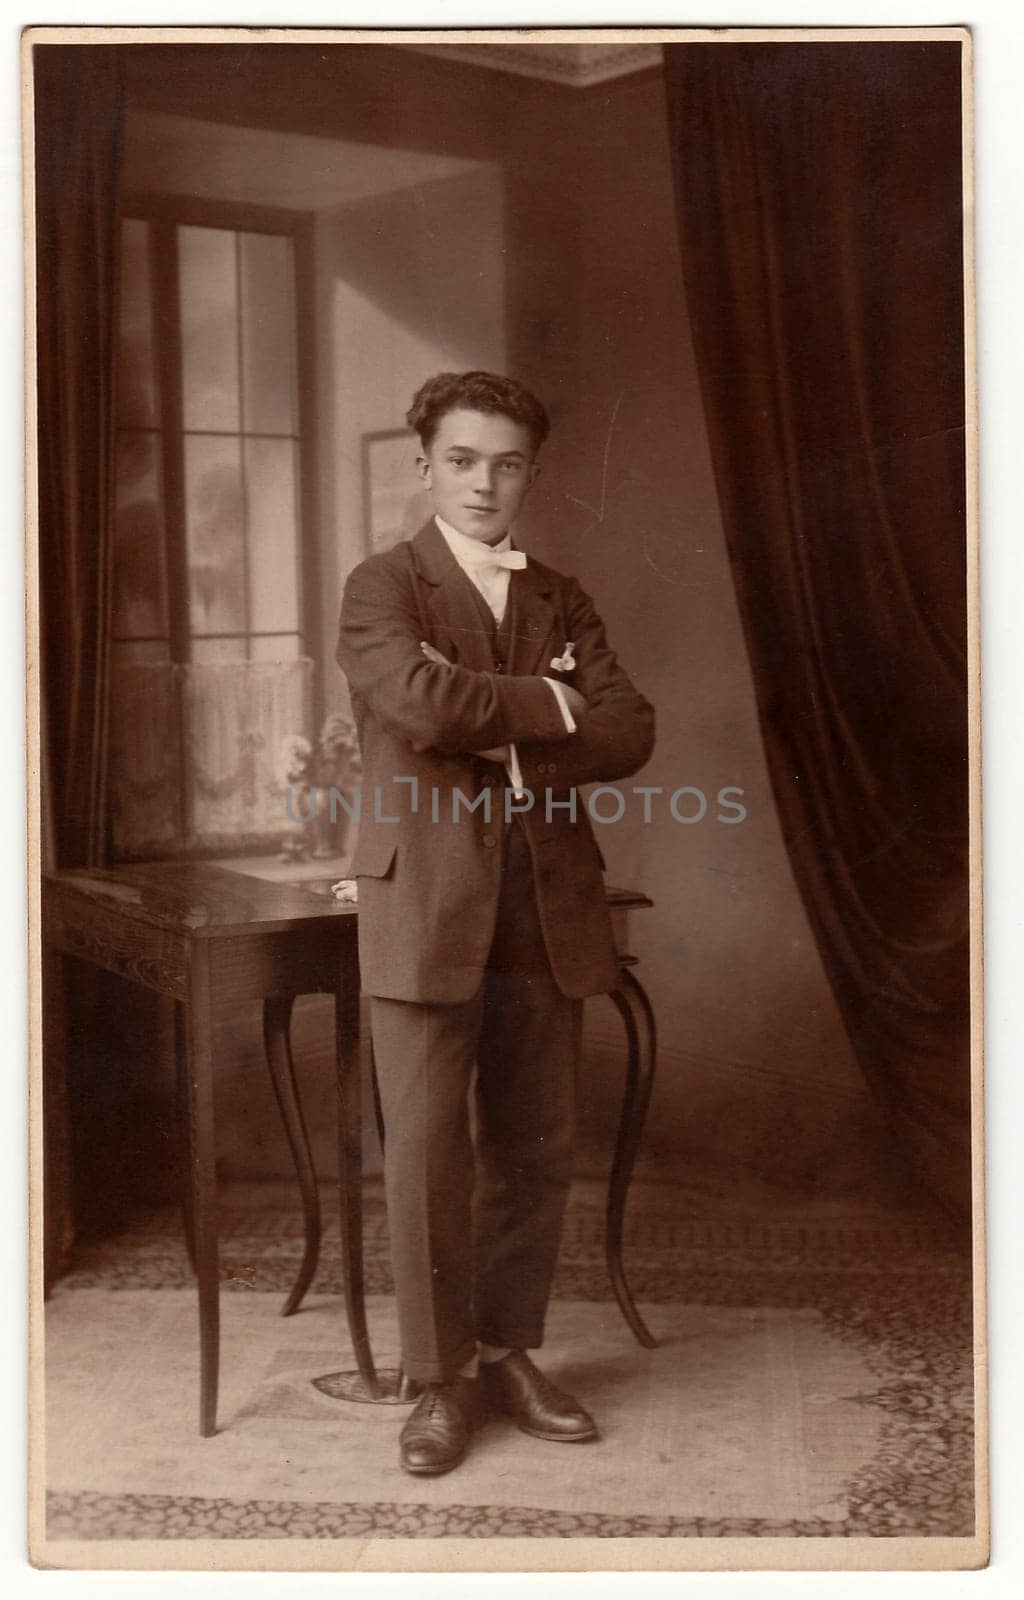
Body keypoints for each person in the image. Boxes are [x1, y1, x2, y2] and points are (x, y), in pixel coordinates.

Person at [336, 370, 655, 1475]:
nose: (485, 482)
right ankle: (440, 1382)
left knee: (531, 1143)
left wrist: (508, 718)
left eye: (508, 462)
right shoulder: (381, 587)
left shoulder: (560, 595)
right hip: (425, 898)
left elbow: (632, 729)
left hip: (546, 899)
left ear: (531, 472)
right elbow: (420, 706)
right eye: (463, 459)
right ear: (424, 464)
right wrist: (552, 704)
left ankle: (511, 1350)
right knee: (426, 1154)